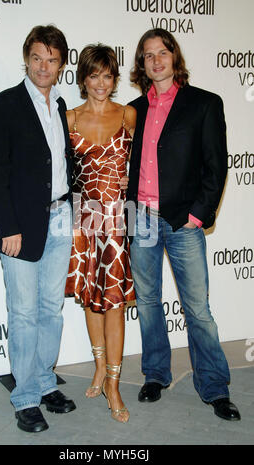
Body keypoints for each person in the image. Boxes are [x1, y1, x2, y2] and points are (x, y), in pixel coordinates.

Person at [126, 28, 241, 421]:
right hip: (140, 218)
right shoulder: (132, 110)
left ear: (175, 58)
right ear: (141, 64)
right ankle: (155, 375)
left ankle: (214, 387)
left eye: (162, 53)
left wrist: (197, 215)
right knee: (147, 303)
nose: (156, 60)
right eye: (147, 55)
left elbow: (216, 165)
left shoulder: (205, 104)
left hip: (182, 223)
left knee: (197, 309)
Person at [0, 24, 76, 433]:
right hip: (19, 226)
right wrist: (8, 226)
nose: (43, 65)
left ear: (60, 65)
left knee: (50, 309)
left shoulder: (60, 105)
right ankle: (24, 399)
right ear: (26, 58)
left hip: (59, 219)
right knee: (22, 313)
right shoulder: (4, 105)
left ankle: (41, 381)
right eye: (37, 57)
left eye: (51, 59)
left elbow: (62, 165)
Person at [65, 44, 136, 423]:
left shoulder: (128, 114)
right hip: (85, 218)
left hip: (118, 220)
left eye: (108, 76)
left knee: (114, 303)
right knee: (92, 298)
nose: (101, 83)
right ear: (83, 79)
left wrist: (132, 178)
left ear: (115, 78)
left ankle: (114, 382)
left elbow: (146, 161)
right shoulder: (70, 118)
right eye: (94, 75)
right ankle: (98, 366)